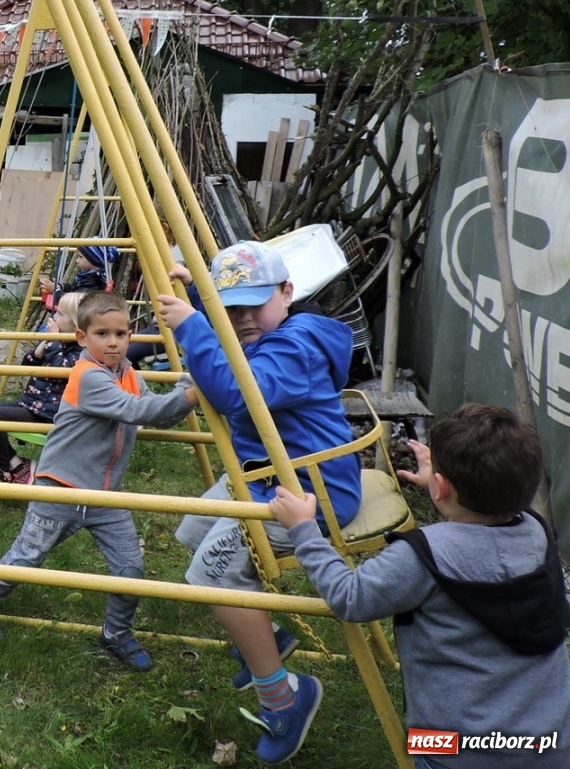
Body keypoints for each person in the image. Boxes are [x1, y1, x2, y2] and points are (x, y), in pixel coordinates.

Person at [270, 403, 570, 769]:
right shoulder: (537, 533)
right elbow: (483, 530)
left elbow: (349, 597)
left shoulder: (422, 556)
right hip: (552, 744)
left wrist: (304, 530)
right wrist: (444, 485)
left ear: (441, 487)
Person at [154, 240, 359, 764]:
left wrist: (193, 326)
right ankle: (265, 635)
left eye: (255, 303)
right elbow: (231, 341)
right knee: (194, 531)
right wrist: (199, 298)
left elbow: (237, 393)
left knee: (209, 577)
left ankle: (284, 696)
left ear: (287, 292)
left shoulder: (292, 348)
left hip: (307, 493)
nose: (243, 318)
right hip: (269, 475)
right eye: (231, 308)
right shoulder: (272, 333)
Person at [0, 292, 198, 669]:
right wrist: (191, 390)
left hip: (105, 496)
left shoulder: (128, 373)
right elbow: (137, 410)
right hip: (60, 490)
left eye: (121, 334)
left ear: (130, 337)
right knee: (26, 558)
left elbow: (158, 413)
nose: (113, 342)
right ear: (82, 337)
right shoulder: (88, 376)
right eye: (102, 334)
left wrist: (188, 388)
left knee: (130, 569)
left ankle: (116, 632)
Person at [0, 290, 85, 484]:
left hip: (51, 414)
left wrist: (53, 342)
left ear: (75, 324)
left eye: (60, 313)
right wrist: (38, 352)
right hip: (33, 405)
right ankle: (17, 465)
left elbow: (63, 370)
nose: (54, 316)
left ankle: (3, 470)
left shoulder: (82, 350)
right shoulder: (58, 343)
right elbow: (27, 365)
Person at [38, 245, 117, 309]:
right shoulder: (88, 275)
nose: (77, 260)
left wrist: (56, 290)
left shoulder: (94, 281)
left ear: (94, 260)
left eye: (80, 257)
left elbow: (77, 302)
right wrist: (60, 286)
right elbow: (74, 288)